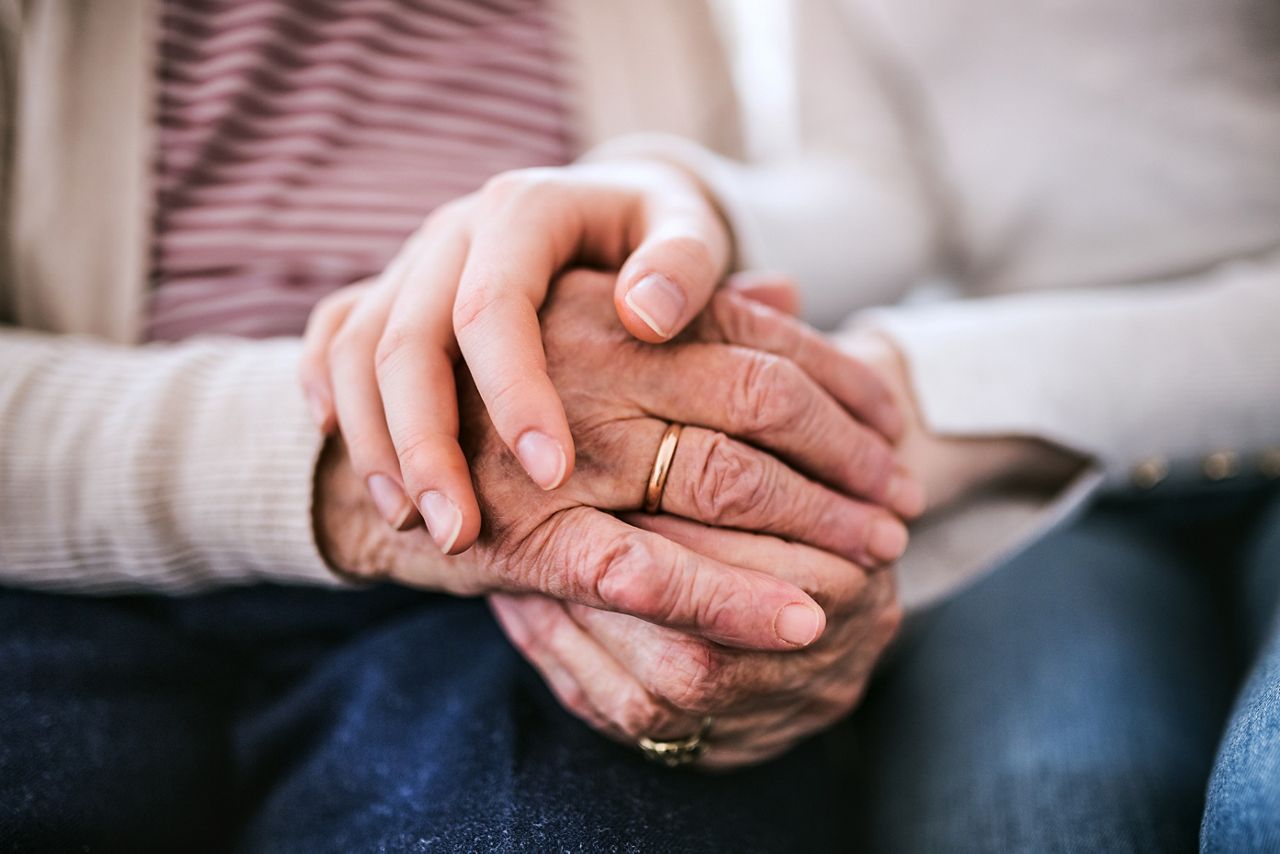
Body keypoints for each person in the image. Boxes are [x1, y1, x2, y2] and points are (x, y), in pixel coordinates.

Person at [1, 0, 1278, 851]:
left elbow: (854, 205)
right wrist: (352, 459)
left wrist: (692, 224)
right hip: (83, 555)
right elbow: (869, 198)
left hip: (561, 551)